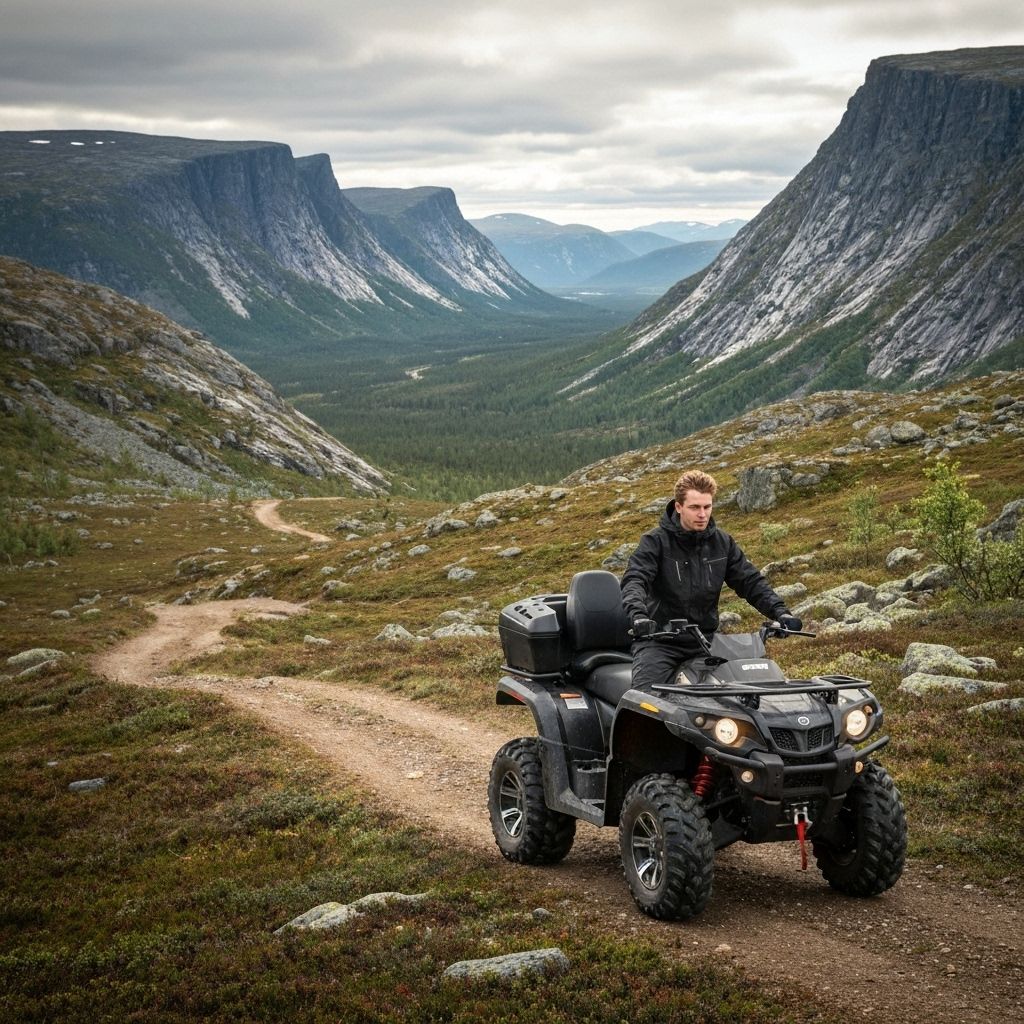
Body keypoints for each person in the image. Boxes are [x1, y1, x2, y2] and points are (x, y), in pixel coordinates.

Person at [620, 469, 801, 689]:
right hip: (660, 642)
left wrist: (780, 612)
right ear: (678, 507)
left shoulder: (722, 543)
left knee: (746, 694)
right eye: (695, 507)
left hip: (706, 642)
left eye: (707, 507)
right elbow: (635, 579)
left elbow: (750, 581)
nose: (702, 514)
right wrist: (639, 616)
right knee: (645, 701)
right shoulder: (655, 542)